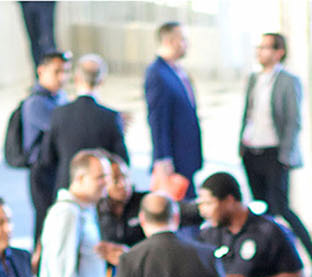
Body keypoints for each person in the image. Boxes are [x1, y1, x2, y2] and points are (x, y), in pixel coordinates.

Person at [238, 33, 312, 277]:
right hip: (252, 151)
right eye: (258, 46)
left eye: (265, 47)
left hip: (276, 154)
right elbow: (248, 114)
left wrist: (286, 155)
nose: (259, 51)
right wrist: (241, 145)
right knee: (260, 209)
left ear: (279, 52)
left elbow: (293, 121)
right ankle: (266, 263)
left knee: (280, 207)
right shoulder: (253, 79)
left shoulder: (288, 81)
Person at [36, 54, 129, 196]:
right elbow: (122, 160)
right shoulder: (110, 117)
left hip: (67, 187)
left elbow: (47, 158)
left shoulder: (59, 114)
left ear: (77, 78)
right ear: (102, 81)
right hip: (99, 191)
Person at [144, 22, 202, 191]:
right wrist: (163, 158)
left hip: (187, 156)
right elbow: (157, 120)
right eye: (183, 40)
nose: (187, 45)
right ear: (169, 41)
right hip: (175, 160)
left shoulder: (177, 70)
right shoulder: (157, 74)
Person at [22, 50, 70, 245]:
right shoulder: (36, 103)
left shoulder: (60, 97)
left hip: (55, 169)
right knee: (45, 221)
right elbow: (63, 127)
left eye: (65, 72)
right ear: (41, 71)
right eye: (57, 72)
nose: (62, 77)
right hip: (42, 172)